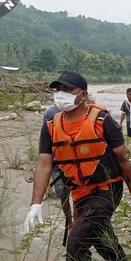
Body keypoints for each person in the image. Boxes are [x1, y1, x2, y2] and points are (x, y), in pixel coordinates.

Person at [24, 70, 131, 261]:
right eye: (58, 90)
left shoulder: (103, 121)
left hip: (106, 189)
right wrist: (35, 203)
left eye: (67, 90)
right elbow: (44, 165)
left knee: (76, 241)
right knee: (101, 238)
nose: (61, 95)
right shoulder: (51, 125)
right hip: (79, 192)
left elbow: (123, 161)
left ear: (83, 94)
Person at [42, 105, 74, 245]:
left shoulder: (80, 109)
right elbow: (45, 137)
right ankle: (70, 221)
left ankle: (77, 224)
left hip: (76, 162)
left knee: (80, 194)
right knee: (63, 194)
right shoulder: (50, 112)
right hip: (57, 163)